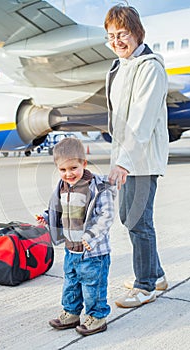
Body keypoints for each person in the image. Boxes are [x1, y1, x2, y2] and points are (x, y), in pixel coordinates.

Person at [104, 4, 169, 308]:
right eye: (111, 36)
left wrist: (123, 162)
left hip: (141, 159)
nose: (117, 41)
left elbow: (141, 120)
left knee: (139, 221)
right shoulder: (121, 67)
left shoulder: (150, 67)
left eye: (122, 34)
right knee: (127, 217)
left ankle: (145, 286)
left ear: (137, 33)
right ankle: (155, 274)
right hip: (127, 158)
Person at [36, 137, 116, 336]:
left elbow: (106, 216)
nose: (68, 174)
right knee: (71, 282)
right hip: (71, 248)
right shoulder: (63, 187)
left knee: (93, 286)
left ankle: (97, 316)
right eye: (63, 170)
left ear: (84, 164)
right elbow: (61, 209)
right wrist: (47, 217)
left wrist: (90, 236)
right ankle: (71, 313)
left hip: (92, 251)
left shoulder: (97, 187)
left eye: (73, 168)